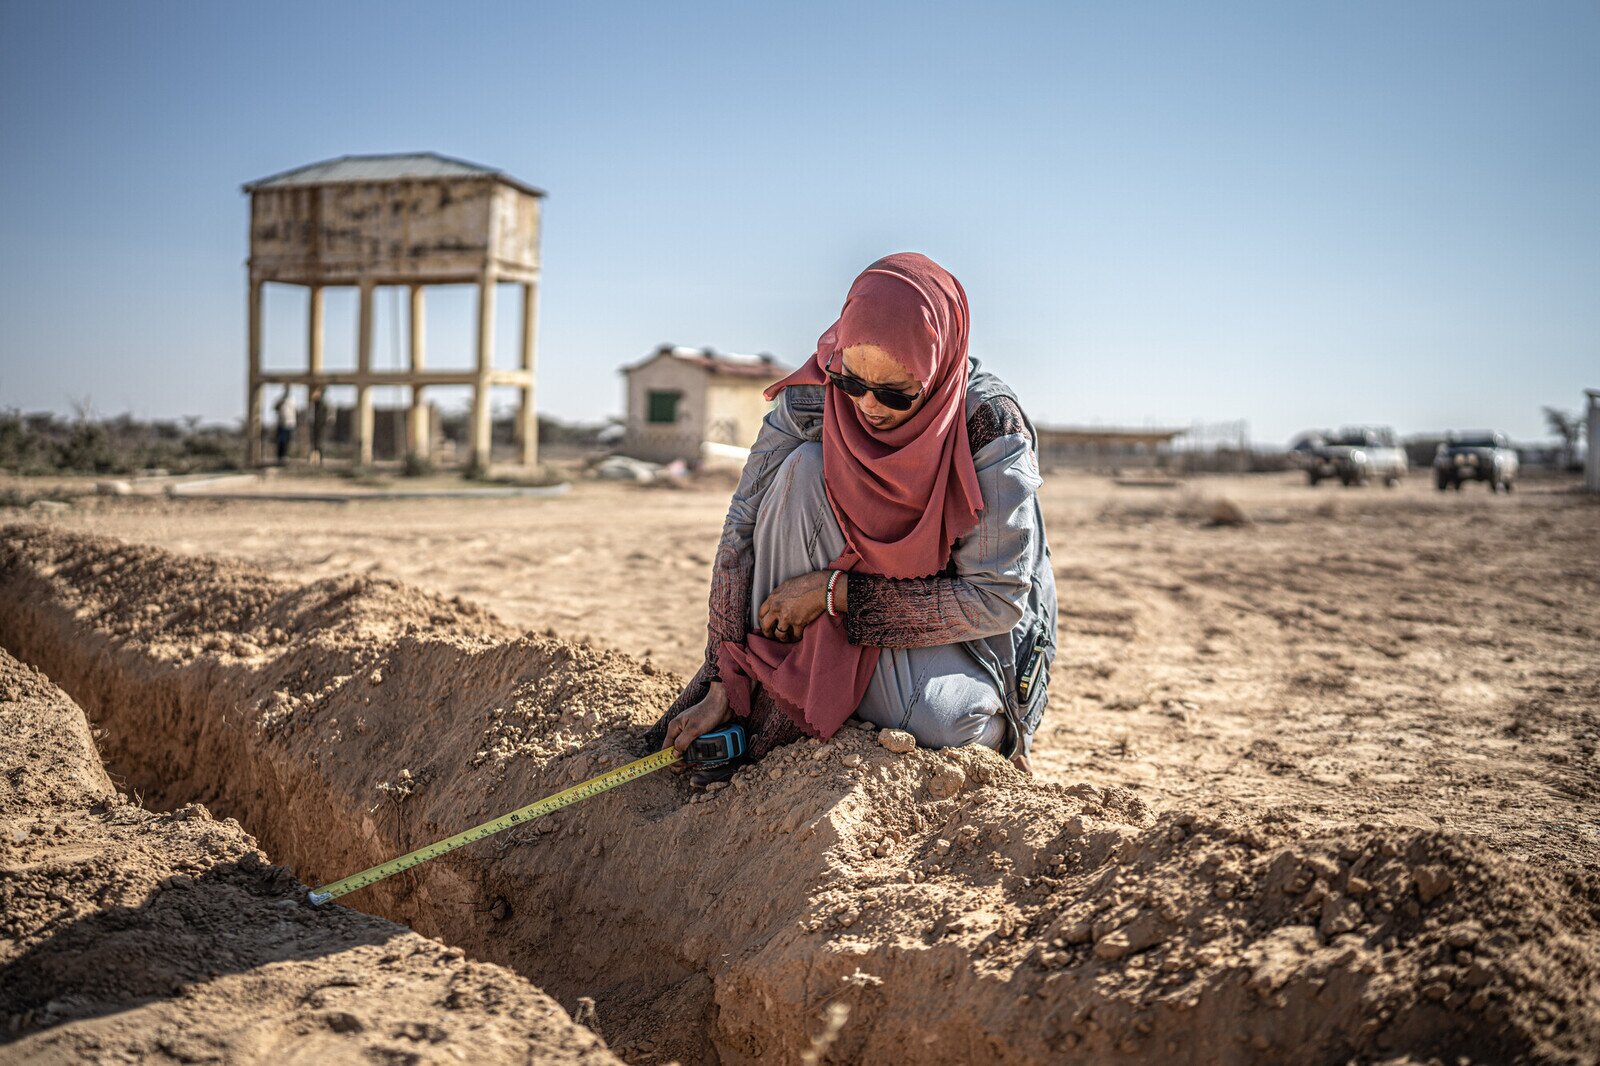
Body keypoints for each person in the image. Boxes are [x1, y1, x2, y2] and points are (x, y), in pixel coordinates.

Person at [644, 253, 1056, 780]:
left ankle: (971, 720)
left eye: (895, 393)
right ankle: (775, 691)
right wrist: (727, 679)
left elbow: (995, 600)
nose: (868, 407)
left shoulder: (987, 425)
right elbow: (742, 529)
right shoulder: (818, 396)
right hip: (842, 605)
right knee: (801, 468)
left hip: (953, 631)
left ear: (940, 370)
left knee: (939, 723)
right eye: (853, 383)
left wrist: (836, 594)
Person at [273, 387, 296, 465]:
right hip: (282, 423)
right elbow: (275, 408)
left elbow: (294, 411)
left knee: (287, 441)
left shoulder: (292, 400)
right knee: (281, 441)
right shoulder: (280, 400)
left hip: (290, 423)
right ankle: (280, 457)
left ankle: (285, 456)